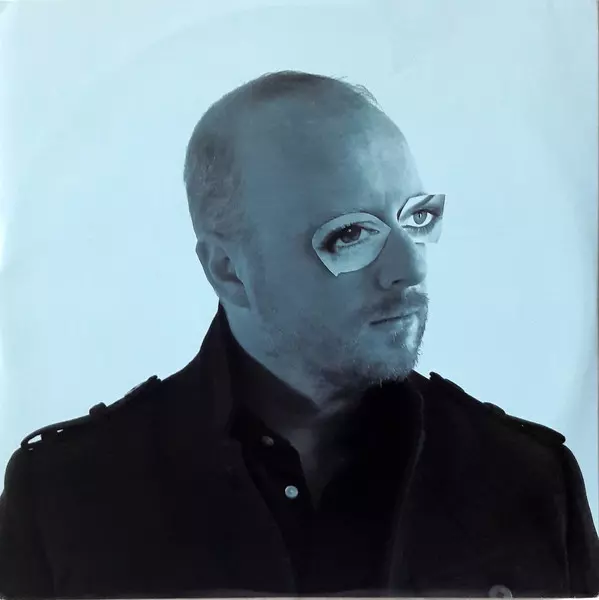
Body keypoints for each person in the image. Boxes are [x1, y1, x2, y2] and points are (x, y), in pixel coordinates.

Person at [0, 70, 598, 599]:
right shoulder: (65, 495)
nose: (411, 268)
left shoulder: (530, 483)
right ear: (229, 271)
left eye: (417, 217)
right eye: (350, 235)